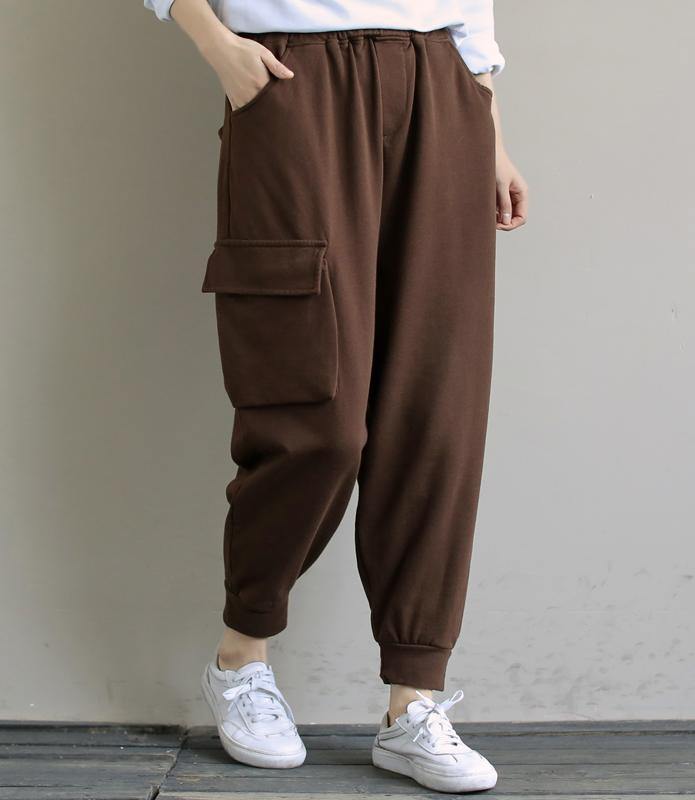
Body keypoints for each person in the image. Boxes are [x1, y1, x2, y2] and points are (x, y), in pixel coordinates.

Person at [144, 0, 527, 792]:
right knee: (313, 416)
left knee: (436, 410)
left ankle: (413, 701)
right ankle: (240, 656)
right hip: (294, 78)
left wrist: (487, 123)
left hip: (442, 83)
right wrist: (216, 45)